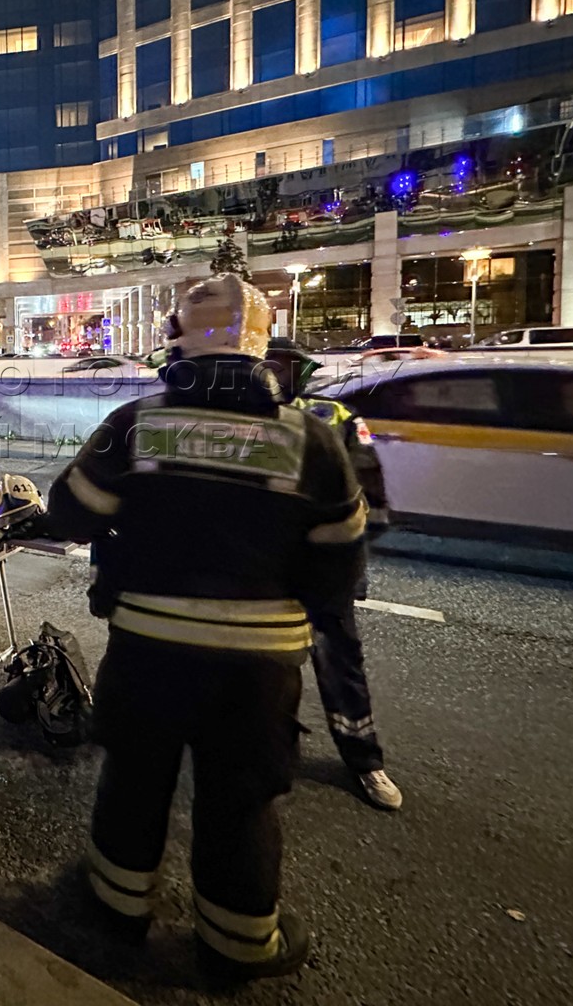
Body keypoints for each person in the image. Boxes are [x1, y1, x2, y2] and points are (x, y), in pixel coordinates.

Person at [40, 274, 367, 981]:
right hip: (258, 668)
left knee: (134, 780)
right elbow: (341, 563)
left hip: (147, 649)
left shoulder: (138, 424)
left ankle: (118, 907)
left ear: (177, 342)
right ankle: (240, 944)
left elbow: (69, 513)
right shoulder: (310, 439)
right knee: (240, 801)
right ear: (263, 350)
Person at [262, 338, 402, 811]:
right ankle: (273, 753)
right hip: (265, 574)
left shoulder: (334, 416)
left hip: (325, 574)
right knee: (265, 670)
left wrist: (349, 559)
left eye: (284, 365)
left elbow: (371, 490)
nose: (275, 374)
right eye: (268, 364)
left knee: (340, 665)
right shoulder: (240, 420)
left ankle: (364, 759)